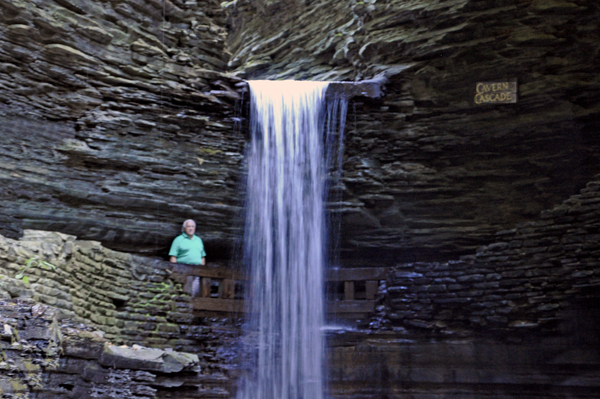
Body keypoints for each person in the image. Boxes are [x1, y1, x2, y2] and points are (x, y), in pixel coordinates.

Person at [169, 219, 206, 297]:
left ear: (195, 228)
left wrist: (202, 270)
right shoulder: (178, 240)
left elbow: (202, 257)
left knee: (195, 292)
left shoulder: (198, 240)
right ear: (184, 228)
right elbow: (173, 256)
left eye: (192, 226)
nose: (191, 228)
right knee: (184, 292)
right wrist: (175, 271)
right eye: (188, 226)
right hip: (183, 269)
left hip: (197, 271)